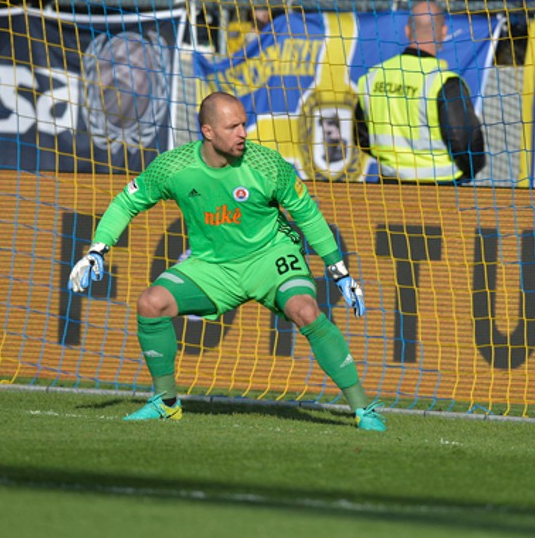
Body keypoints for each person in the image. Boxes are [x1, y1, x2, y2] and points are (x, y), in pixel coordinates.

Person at [67, 91, 386, 432]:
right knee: (150, 304)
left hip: (272, 257)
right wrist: (97, 249)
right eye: (232, 126)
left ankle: (363, 409)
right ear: (208, 131)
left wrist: (339, 271)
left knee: (305, 310)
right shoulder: (174, 167)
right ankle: (166, 403)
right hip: (213, 267)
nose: (243, 133)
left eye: (244, 124)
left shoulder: (266, 164)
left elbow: (307, 214)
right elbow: (126, 203)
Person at [354, 0, 486, 184]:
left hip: (389, 188)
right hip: (440, 190)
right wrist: (471, 169)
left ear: (407, 31)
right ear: (444, 32)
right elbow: (465, 142)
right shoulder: (444, 83)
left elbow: (361, 135)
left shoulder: (373, 77)